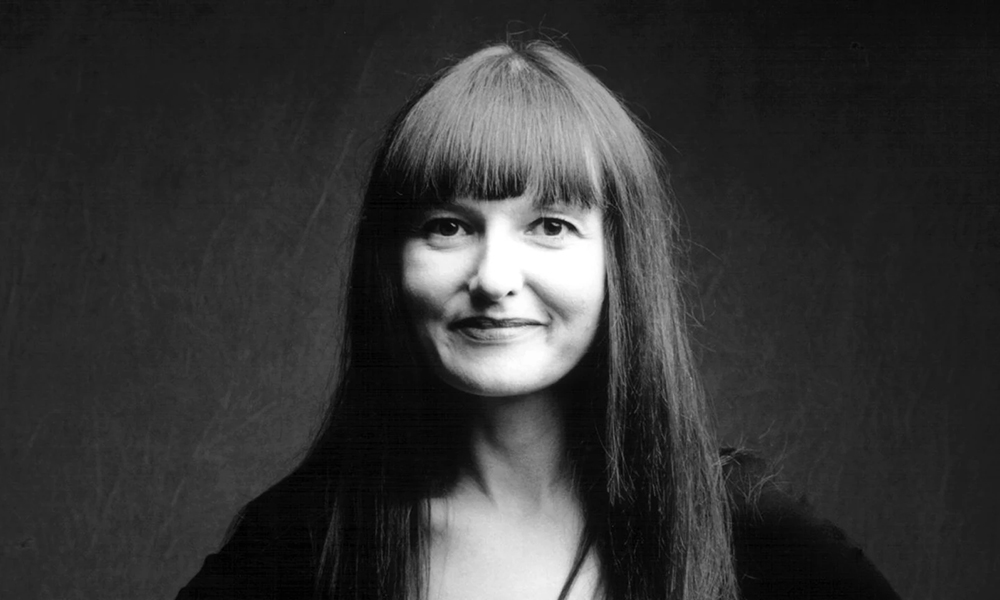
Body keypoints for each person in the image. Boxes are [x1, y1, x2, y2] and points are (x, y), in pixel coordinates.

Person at [176, 41, 900, 600]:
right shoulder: (303, 542)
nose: (493, 279)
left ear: (622, 262)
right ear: (388, 263)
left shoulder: (745, 526)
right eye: (447, 226)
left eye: (550, 225)